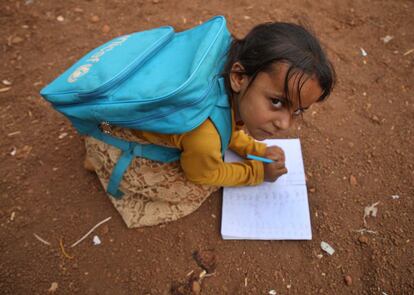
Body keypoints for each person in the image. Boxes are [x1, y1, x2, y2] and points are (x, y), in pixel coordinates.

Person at [84, 20, 335, 228]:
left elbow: (229, 123)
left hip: (129, 114)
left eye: (298, 110)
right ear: (239, 77)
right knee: (189, 191)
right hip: (114, 134)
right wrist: (257, 172)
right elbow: (202, 174)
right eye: (278, 102)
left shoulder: (229, 71)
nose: (284, 123)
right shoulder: (205, 136)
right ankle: (102, 160)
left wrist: (255, 150)